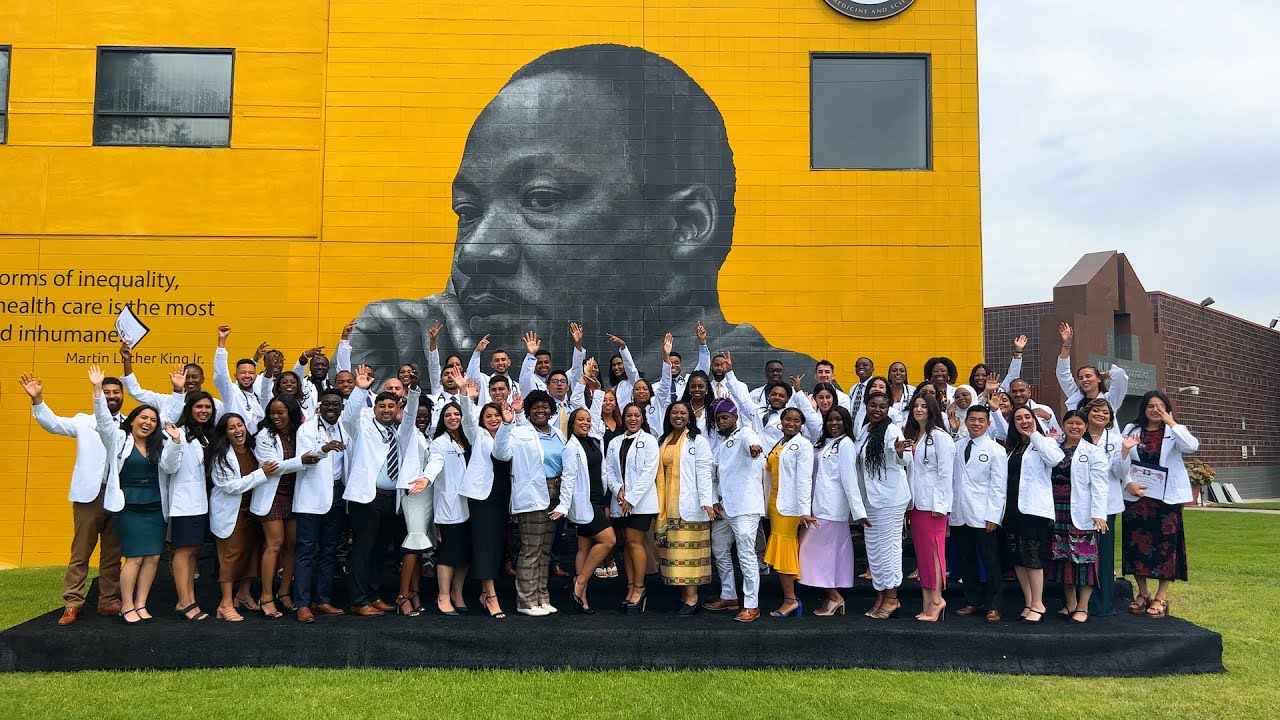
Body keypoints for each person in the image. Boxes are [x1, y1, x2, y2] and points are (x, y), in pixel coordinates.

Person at [349, 44, 818, 375]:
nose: (474, 250)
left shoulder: (774, 387)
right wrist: (383, 379)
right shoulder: (471, 389)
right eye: (468, 210)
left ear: (685, 225)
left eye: (541, 199)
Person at [21, 371, 125, 625]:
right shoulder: (83, 421)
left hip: (118, 496)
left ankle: (109, 600)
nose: (111, 396)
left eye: (115, 392)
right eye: (107, 392)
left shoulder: (131, 424)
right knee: (81, 551)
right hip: (89, 495)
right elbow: (53, 424)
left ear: (123, 396)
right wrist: (38, 399)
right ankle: (73, 602)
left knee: (113, 552)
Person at [90, 365, 181, 624]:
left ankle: (141, 604)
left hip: (154, 507)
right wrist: (97, 389)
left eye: (153, 420)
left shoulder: (158, 445)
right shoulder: (117, 438)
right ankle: (127, 605)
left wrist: (175, 442)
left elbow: (171, 467)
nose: (148, 423)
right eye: (143, 418)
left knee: (152, 556)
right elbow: (102, 420)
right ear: (133, 420)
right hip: (128, 507)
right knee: (134, 557)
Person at [341, 365, 421, 616]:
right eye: (381, 406)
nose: (387, 410)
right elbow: (348, 418)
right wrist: (359, 389)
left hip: (389, 499)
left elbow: (410, 418)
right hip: (367, 498)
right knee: (363, 550)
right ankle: (358, 599)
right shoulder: (362, 430)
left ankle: (373, 594)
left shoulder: (398, 433)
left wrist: (414, 391)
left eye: (391, 407)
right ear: (374, 409)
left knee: (379, 550)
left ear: (397, 409)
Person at [1119, 390, 1199, 619]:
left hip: (1166, 500)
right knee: (1136, 546)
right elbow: (1121, 459)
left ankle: (1161, 596)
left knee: (1166, 548)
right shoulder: (1131, 430)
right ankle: (1143, 593)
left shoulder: (1173, 432)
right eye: (1150, 406)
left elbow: (1191, 446)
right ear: (1143, 409)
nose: (1155, 409)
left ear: (1166, 408)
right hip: (1138, 497)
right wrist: (1128, 483)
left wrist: (1170, 421)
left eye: (1160, 406)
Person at [493, 388, 565, 616]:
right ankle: (525, 601)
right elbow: (501, 454)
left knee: (545, 549)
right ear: (528, 411)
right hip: (533, 496)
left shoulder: (557, 434)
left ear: (551, 410)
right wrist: (506, 424)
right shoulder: (519, 431)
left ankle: (542, 597)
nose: (540, 410)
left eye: (544, 407)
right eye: (535, 407)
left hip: (556, 494)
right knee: (531, 550)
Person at [205, 413, 276, 621]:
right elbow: (229, 487)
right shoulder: (221, 455)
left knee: (252, 553)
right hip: (231, 513)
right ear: (224, 433)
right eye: (231, 428)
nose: (238, 431)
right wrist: (261, 474)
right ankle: (225, 604)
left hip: (251, 511)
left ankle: (243, 595)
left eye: (240, 425)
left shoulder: (252, 450)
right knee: (231, 557)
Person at [800, 407, 870, 617]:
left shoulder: (846, 444)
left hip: (831, 508)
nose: (834, 423)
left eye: (839, 419)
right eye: (830, 419)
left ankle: (834, 596)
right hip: (817, 505)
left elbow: (850, 479)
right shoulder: (824, 442)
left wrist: (859, 512)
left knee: (811, 552)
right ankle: (833, 597)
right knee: (823, 555)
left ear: (846, 422)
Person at [703, 398, 766, 622]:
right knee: (719, 549)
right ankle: (729, 596)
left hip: (746, 508)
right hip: (724, 508)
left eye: (725, 417)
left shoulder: (745, 434)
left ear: (735, 417)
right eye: (718, 418)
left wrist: (754, 447)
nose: (721, 422)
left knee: (746, 555)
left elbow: (753, 444)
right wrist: (713, 500)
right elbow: (713, 476)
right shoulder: (721, 446)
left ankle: (752, 604)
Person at [650, 401, 715, 615]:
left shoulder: (699, 441)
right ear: (669, 415)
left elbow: (704, 472)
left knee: (690, 553)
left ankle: (692, 598)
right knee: (674, 551)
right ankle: (683, 595)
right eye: (675, 412)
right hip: (668, 503)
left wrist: (707, 501)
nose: (679, 416)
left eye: (683, 413)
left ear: (690, 417)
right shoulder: (664, 440)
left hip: (690, 503)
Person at [1003, 405, 1066, 623]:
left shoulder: (1044, 442)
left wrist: (1036, 436)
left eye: (1027, 417)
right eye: (1018, 418)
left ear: (1034, 420)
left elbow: (1055, 459)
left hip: (1034, 510)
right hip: (1012, 508)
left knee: (1032, 556)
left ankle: (1039, 603)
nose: (1023, 421)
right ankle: (1029, 601)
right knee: (1018, 558)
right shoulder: (1013, 448)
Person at [291, 388, 349, 623]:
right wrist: (323, 449)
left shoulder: (345, 428)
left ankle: (322, 600)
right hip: (311, 497)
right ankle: (302, 604)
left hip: (337, 493)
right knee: (306, 551)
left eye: (336, 405)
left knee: (329, 549)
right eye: (327, 404)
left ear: (341, 407)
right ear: (319, 406)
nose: (331, 408)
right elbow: (305, 459)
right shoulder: (307, 429)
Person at [552, 408, 618, 613]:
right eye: (581, 419)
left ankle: (582, 599)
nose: (586, 423)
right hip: (585, 502)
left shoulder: (594, 441)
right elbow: (569, 478)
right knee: (609, 540)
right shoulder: (570, 448)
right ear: (572, 423)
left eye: (588, 420)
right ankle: (579, 583)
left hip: (598, 499)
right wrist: (563, 505)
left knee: (584, 547)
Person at [1047, 410, 1110, 623]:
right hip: (1057, 511)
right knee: (1062, 557)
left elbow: (1101, 485)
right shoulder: (1054, 449)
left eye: (1079, 424)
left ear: (1085, 427)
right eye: (1070, 423)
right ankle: (1070, 602)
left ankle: (1083, 606)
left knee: (1084, 559)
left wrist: (1099, 514)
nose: (1074, 427)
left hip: (1082, 512)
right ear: (1064, 425)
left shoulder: (1093, 452)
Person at [854, 392, 911, 620]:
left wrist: (897, 453)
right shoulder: (865, 430)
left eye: (882, 407)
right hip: (870, 500)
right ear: (866, 406)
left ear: (889, 409)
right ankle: (880, 595)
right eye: (873, 405)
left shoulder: (893, 430)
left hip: (890, 499)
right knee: (874, 551)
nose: (877, 410)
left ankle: (892, 598)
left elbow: (906, 459)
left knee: (889, 549)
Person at [457, 381, 512, 619]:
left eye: (496, 415)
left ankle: (484, 592)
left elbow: (504, 454)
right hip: (482, 498)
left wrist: (510, 422)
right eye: (488, 416)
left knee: (496, 544)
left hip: (503, 495)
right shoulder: (476, 434)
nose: (493, 419)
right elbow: (467, 418)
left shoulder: (510, 432)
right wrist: (464, 394)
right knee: (485, 544)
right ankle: (490, 595)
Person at [950, 405, 1008, 623]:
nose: (976, 423)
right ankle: (973, 600)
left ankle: (995, 605)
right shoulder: (957, 446)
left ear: (988, 423)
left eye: (981, 420)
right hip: (960, 512)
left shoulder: (996, 450)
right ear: (967, 422)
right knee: (967, 560)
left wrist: (994, 516)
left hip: (984, 514)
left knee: (990, 560)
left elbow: (998, 487)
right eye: (972, 419)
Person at [249, 395, 306, 618]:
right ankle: (266, 596)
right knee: (275, 544)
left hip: (295, 494)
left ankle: (283, 592)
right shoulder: (264, 436)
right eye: (273, 412)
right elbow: (273, 467)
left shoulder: (299, 434)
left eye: (280, 412)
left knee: (292, 545)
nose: (276, 417)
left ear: (291, 413)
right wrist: (304, 460)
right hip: (272, 495)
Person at [902, 394, 955, 622]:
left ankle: (937, 600)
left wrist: (941, 505)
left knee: (934, 552)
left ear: (933, 409)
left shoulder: (941, 437)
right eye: (916, 406)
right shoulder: (914, 436)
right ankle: (927, 601)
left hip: (933, 505)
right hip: (917, 503)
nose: (919, 409)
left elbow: (945, 473)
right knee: (923, 556)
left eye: (924, 406)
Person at [166, 391, 217, 622]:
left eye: (207, 407)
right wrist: (176, 442)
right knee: (183, 552)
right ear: (190, 409)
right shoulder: (178, 433)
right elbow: (169, 466)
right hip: (183, 503)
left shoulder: (206, 436)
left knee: (193, 552)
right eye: (199, 407)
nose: (203, 410)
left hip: (200, 502)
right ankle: (186, 602)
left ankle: (186, 599)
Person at [605, 402, 660, 613]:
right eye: (629, 415)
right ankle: (630, 587)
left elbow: (649, 472)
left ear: (642, 418)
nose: (633, 419)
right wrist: (618, 490)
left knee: (636, 542)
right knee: (627, 544)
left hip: (641, 504)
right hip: (620, 501)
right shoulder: (615, 442)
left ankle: (640, 587)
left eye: (637, 415)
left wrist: (633, 498)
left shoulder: (649, 441)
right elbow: (609, 469)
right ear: (624, 418)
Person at [421, 400, 472, 616]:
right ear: (442, 420)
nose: (453, 418)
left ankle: (457, 593)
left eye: (456, 414)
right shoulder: (440, 443)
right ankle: (442, 595)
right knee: (449, 553)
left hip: (470, 505)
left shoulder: (468, 440)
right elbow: (436, 462)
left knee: (465, 553)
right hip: (449, 506)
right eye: (448, 415)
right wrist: (427, 478)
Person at [763, 407, 811, 617]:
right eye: (788, 420)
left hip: (790, 507)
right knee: (781, 549)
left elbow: (804, 480)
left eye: (796, 421)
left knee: (784, 551)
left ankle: (791, 599)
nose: (791, 424)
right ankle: (789, 597)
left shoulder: (803, 445)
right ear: (781, 422)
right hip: (775, 503)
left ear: (802, 424)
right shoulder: (780, 443)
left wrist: (803, 510)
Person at [1082, 397, 1125, 617]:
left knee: (1104, 555)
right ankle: (1081, 603)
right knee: (1081, 553)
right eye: (1097, 410)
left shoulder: (1117, 441)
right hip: (1080, 504)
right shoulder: (1077, 435)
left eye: (1106, 413)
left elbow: (1120, 473)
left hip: (1107, 505)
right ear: (1087, 413)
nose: (1101, 414)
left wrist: (1125, 453)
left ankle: (1104, 604)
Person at [396, 401, 436, 616]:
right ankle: (402, 595)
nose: (421, 419)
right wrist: (413, 392)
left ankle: (414, 592)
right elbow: (409, 416)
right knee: (414, 541)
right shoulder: (407, 432)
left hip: (427, 493)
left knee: (420, 547)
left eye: (425, 415)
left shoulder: (428, 437)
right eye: (417, 415)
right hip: (412, 493)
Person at [1056, 322, 1129, 421]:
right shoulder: (1076, 397)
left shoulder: (1110, 399)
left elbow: (1120, 375)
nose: (1084, 380)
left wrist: (1104, 375)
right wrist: (1066, 344)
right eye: (1081, 378)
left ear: (1098, 379)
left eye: (1088, 376)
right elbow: (1062, 374)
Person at [214, 326, 265, 433]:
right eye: (242, 373)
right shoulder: (232, 393)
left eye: (251, 373)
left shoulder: (257, 396)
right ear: (235, 376)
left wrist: (255, 360)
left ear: (256, 376)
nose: (247, 375)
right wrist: (222, 342)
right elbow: (221, 375)